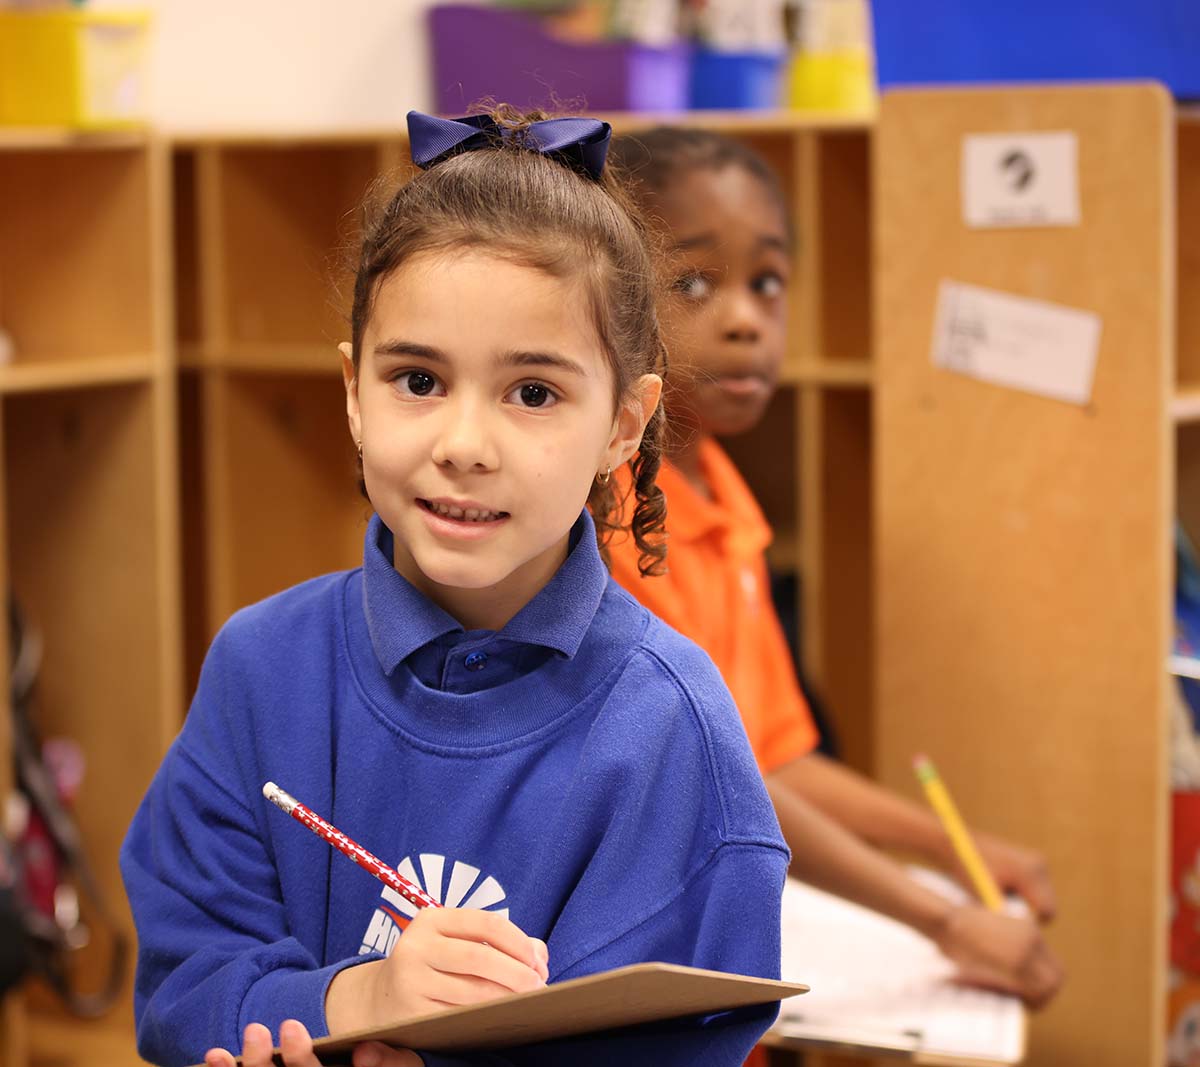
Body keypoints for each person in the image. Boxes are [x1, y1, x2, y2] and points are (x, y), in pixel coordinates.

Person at [119, 110, 791, 1067]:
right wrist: (359, 998)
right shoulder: (259, 667)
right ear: (354, 391)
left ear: (624, 425)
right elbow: (184, 989)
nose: (463, 444)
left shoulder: (671, 736)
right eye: (418, 379)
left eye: (533, 393)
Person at [606, 127, 1065, 1010]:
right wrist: (940, 919)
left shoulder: (727, 501)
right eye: (695, 282)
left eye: (767, 282)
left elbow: (775, 755)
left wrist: (954, 846)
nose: (745, 316)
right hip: (644, 957)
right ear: (618, 298)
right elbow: (724, 781)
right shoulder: (622, 518)